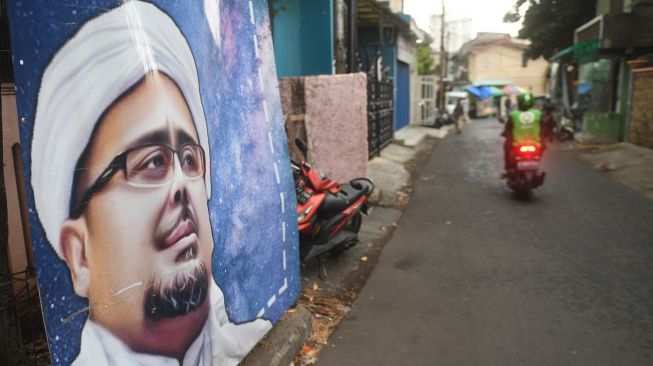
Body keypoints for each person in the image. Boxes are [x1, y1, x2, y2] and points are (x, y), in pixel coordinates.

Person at [30, 2, 270, 365]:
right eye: (152, 162)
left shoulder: (250, 339)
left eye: (190, 159)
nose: (182, 185)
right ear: (79, 254)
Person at [501, 92, 544, 173]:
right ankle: (537, 159)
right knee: (543, 146)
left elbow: (508, 128)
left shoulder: (513, 115)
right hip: (536, 143)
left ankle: (508, 168)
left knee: (506, 148)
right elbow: (542, 127)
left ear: (519, 103)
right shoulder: (538, 113)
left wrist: (505, 133)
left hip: (517, 143)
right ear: (532, 103)